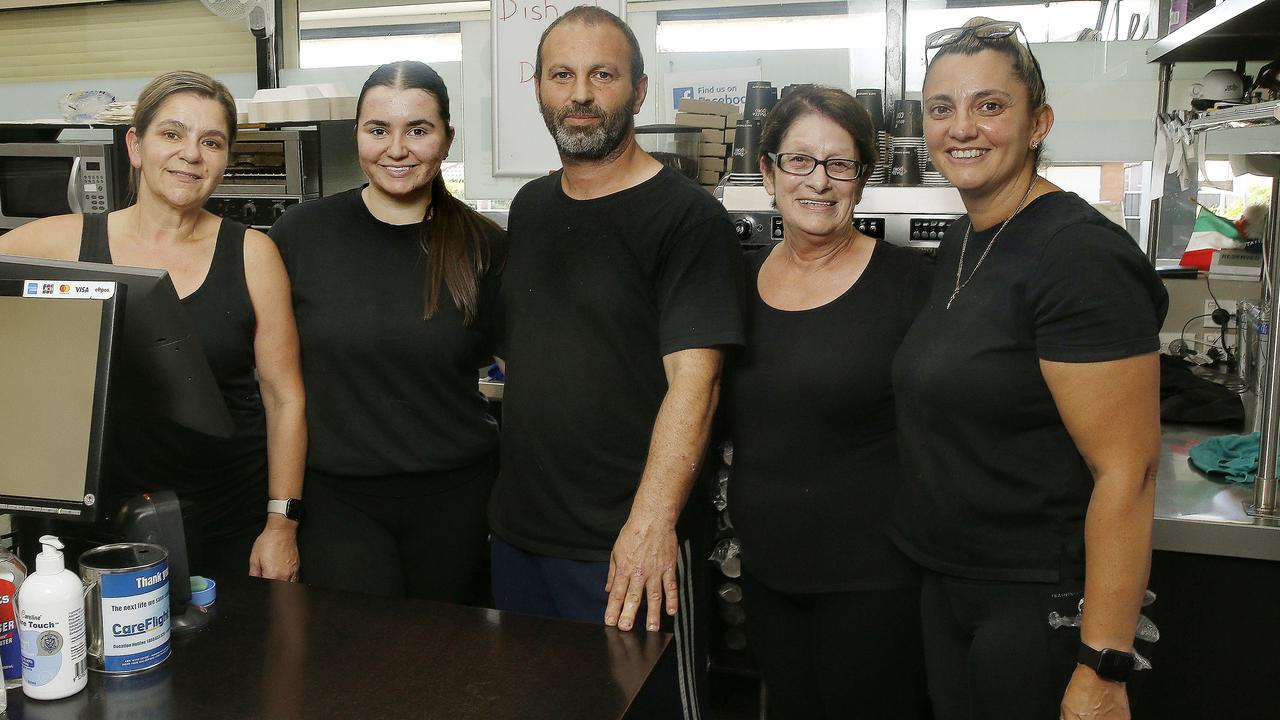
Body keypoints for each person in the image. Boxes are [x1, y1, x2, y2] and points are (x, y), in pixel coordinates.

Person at [890, 18, 1168, 720]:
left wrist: (1104, 661)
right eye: (942, 109)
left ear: (1038, 121)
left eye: (990, 105)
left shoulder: (1078, 256)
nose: (962, 128)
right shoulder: (964, 237)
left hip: (1035, 599)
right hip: (951, 583)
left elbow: (1127, 472)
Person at [489, 7, 745, 718]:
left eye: (602, 74)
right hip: (520, 538)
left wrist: (650, 526)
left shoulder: (686, 218)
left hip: (627, 550)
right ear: (537, 88)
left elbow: (697, 383)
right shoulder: (532, 205)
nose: (579, 94)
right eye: (561, 75)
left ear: (636, 91)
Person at [0, 71, 306, 581]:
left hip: (222, 516)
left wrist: (282, 526)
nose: (191, 154)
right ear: (135, 146)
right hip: (83, 523)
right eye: (172, 133)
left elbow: (284, 397)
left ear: (224, 159)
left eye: (211, 141)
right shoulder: (62, 243)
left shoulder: (253, 254)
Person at [720, 86, 931, 719]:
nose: (819, 181)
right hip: (766, 575)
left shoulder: (911, 284)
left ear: (862, 180)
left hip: (873, 581)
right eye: (799, 161)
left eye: (840, 164)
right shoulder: (735, 282)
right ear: (768, 173)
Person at [269, 61, 504, 603]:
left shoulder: (485, 245)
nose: (396, 148)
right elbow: (268, 382)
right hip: (336, 500)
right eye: (378, 130)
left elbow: (531, 371)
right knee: (356, 667)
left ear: (448, 139)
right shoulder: (299, 237)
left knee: (443, 664)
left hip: (457, 499)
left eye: (418, 130)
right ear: (356, 135)